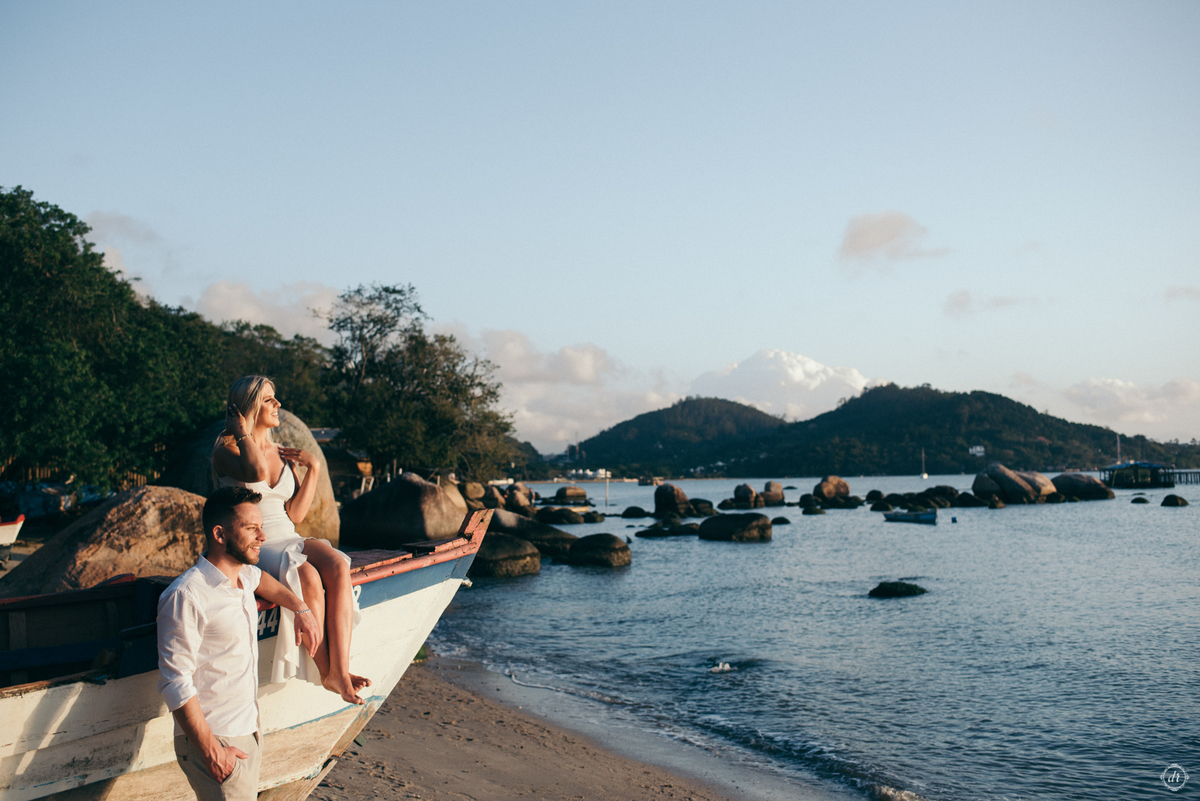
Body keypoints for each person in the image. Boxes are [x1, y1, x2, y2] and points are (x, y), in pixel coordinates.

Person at [211, 375, 369, 704]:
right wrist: (242, 432)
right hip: (257, 543)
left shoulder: (282, 453)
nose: (278, 405)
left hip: (287, 534)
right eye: (269, 400)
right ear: (249, 407)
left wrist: (314, 469)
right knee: (308, 575)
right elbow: (254, 472)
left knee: (338, 563)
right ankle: (329, 673)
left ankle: (340, 668)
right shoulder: (225, 450)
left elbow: (295, 513)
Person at [157, 486, 321, 800]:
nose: (262, 536)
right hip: (216, 738)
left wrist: (300, 608)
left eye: (262, 527)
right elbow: (174, 681)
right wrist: (212, 751)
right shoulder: (187, 595)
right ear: (219, 534)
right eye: (251, 528)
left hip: (247, 727)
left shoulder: (244, 576)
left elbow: (265, 582)